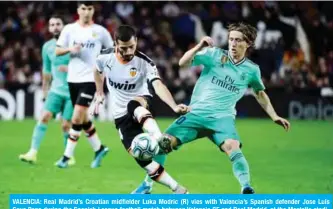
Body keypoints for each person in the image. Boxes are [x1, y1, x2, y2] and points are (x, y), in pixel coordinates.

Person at [133, 22, 291, 194]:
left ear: (248, 44)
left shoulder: (252, 70)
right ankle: (147, 185)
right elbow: (182, 63)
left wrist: (274, 116)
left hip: (222, 119)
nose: (233, 44)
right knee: (163, 143)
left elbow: (260, 94)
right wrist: (199, 46)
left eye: (238, 40)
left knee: (233, 147)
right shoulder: (214, 54)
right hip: (195, 114)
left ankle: (246, 187)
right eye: (231, 39)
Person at [92, 25, 189, 194]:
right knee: (142, 158)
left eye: (131, 46)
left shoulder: (144, 63)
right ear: (115, 44)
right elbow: (97, 70)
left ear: (136, 41)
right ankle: (178, 189)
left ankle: (159, 138)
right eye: (123, 48)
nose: (128, 51)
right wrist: (99, 93)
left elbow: (158, 85)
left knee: (132, 105)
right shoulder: (105, 57)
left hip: (141, 102)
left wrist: (173, 105)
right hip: (120, 116)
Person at [54, 1, 113, 168]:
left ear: (93, 10)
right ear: (78, 10)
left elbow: (112, 52)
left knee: (77, 115)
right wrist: (70, 49)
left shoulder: (100, 32)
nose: (86, 12)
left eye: (89, 8)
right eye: (83, 8)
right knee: (84, 118)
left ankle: (66, 157)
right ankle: (99, 148)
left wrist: (104, 70)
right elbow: (58, 51)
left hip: (91, 79)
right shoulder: (69, 29)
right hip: (73, 79)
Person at [19, 15, 75, 165]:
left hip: (72, 92)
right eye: (52, 24)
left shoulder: (74, 45)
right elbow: (47, 70)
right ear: (49, 28)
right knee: (44, 117)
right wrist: (45, 90)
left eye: (58, 24)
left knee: (65, 125)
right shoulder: (47, 47)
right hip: (55, 91)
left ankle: (68, 156)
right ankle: (32, 152)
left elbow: (85, 66)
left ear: (64, 26)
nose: (55, 27)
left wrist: (70, 69)